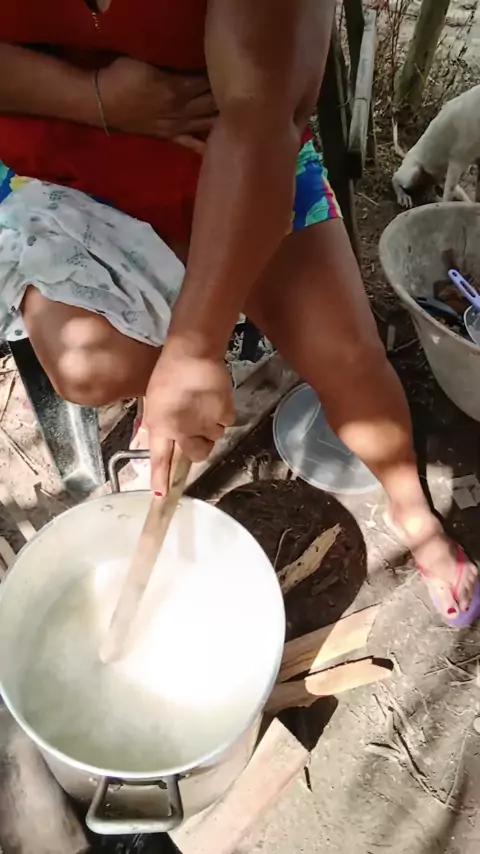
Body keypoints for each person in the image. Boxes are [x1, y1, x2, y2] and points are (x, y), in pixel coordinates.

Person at [0, 0, 478, 627]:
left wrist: (196, 346)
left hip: (235, 144)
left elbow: (262, 115)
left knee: (348, 359)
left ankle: (410, 508)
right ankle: (160, 393)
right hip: (60, 153)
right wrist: (96, 98)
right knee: (92, 364)